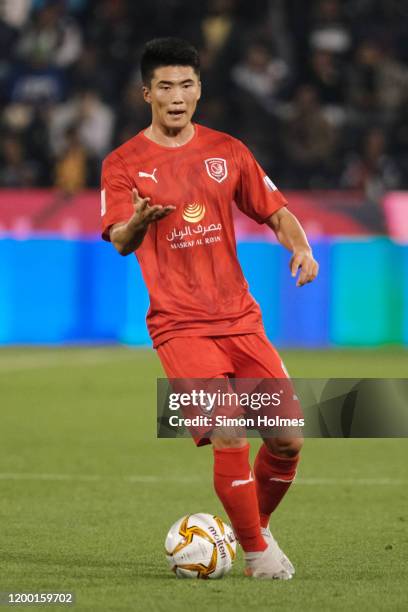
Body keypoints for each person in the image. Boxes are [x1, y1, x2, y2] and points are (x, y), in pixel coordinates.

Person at [101, 37, 318, 579]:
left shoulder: (228, 150)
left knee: (288, 440)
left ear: (199, 89)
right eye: (167, 87)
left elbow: (276, 210)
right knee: (228, 432)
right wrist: (140, 222)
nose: (178, 96)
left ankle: (253, 526)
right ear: (146, 93)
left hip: (240, 318)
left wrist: (301, 246)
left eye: (188, 85)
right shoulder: (123, 163)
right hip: (179, 327)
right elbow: (121, 239)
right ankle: (257, 556)